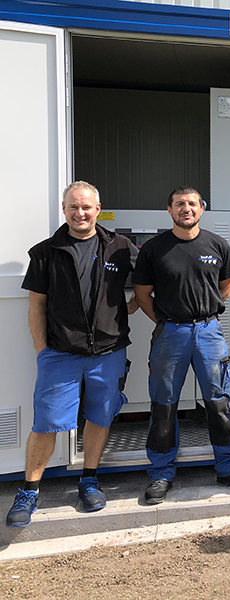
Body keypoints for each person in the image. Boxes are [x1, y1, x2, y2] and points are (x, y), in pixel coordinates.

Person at [6, 182, 139, 527]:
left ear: (98, 209)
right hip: (60, 353)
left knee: (100, 416)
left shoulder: (120, 247)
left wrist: (133, 305)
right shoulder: (45, 252)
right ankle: (29, 491)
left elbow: (149, 280)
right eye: (73, 207)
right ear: (63, 209)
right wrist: (42, 351)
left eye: (86, 207)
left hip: (109, 351)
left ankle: (89, 480)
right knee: (46, 422)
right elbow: (36, 305)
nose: (80, 213)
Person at [133, 185, 230, 505]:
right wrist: (166, 321)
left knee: (218, 403)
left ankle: (229, 468)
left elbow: (225, 287)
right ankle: (161, 473)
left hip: (208, 333)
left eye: (191, 203)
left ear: (201, 209)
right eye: (179, 204)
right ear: (169, 210)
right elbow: (143, 295)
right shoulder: (154, 249)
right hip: (170, 335)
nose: (185, 208)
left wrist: (203, 316)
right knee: (163, 405)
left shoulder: (217, 245)